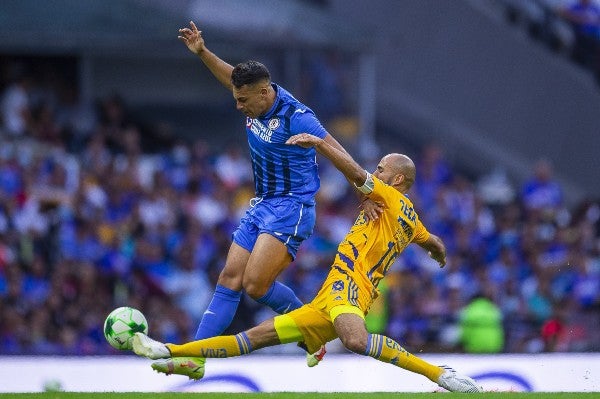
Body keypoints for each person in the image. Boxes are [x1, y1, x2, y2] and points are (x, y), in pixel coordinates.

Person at [130, 133, 483, 393]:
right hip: (325, 300)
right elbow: (432, 241)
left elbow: (356, 173)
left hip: (351, 289)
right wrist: (439, 252)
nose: (375, 172)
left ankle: (440, 374)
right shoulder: (411, 218)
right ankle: (170, 350)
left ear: (397, 180)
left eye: (382, 169)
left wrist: (320, 144)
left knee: (357, 341)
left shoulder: (388, 197)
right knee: (251, 338)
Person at [176, 21, 381, 367]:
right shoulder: (250, 94)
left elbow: (336, 150)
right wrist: (203, 53)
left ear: (264, 93)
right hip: (262, 204)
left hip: (292, 206)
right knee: (229, 278)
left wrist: (365, 190)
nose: (238, 106)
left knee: (255, 286)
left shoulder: (297, 117)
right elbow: (231, 78)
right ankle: (193, 358)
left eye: (243, 100)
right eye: (236, 98)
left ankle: (309, 328)